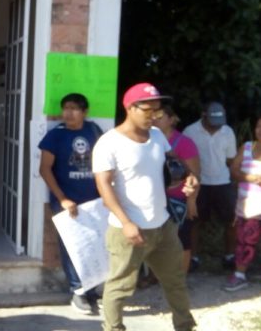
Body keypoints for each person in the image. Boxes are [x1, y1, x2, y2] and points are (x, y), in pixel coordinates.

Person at [92, 83, 197, 331]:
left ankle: (185, 326)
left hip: (163, 225)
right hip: (128, 230)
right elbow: (103, 186)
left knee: (175, 281)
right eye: (148, 111)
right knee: (120, 287)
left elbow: (174, 164)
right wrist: (127, 222)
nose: (154, 116)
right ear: (129, 107)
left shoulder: (158, 136)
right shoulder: (109, 143)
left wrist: (188, 177)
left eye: (158, 111)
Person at [38, 93, 103, 313]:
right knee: (72, 246)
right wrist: (63, 199)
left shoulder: (94, 131)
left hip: (94, 202)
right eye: (65, 108)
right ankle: (78, 292)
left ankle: (92, 289)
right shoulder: (55, 135)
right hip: (66, 202)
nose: (68, 113)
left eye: (74, 108)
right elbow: (44, 169)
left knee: (93, 245)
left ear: (84, 112)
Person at [223, 115, 261, 296]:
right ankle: (239, 275)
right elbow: (234, 170)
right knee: (244, 242)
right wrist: (250, 177)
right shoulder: (246, 147)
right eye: (259, 126)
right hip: (248, 208)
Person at [184, 101, 238, 270]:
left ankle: (230, 256)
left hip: (223, 182)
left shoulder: (227, 131)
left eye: (218, 124)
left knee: (231, 221)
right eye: (212, 124)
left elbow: (230, 159)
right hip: (200, 184)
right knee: (194, 222)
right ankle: (193, 258)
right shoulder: (190, 131)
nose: (216, 128)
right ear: (203, 115)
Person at [154, 105, 201, 272]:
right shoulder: (146, 141)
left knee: (181, 241)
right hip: (153, 200)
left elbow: (194, 175)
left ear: (172, 119)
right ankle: (157, 276)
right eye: (152, 115)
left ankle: (179, 279)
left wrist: (191, 200)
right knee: (155, 241)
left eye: (159, 116)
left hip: (178, 200)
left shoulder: (184, 143)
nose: (154, 119)